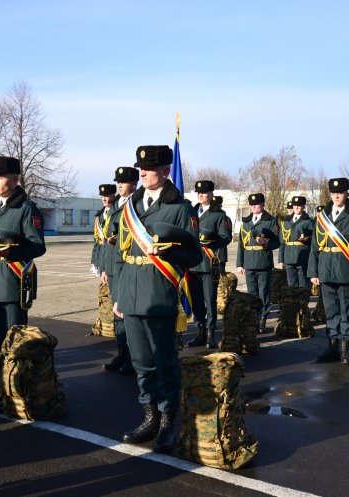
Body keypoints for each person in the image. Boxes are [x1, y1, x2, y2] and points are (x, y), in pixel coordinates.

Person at [115, 145, 202, 453]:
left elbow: (194, 254)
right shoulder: (131, 205)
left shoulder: (180, 207)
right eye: (141, 168)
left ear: (165, 171)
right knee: (141, 364)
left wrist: (169, 251)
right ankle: (149, 417)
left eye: (149, 169)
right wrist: (118, 295)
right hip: (132, 293)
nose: (143, 172)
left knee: (164, 363)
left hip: (160, 293)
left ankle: (167, 421)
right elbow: (118, 254)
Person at [0, 156, 46, 409]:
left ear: (15, 179)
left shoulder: (26, 208)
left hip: (14, 281)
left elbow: (38, 246)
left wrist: (11, 253)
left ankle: (15, 391)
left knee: (14, 340)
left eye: (1, 176)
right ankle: (1, 388)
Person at [307, 178, 349, 365]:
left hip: (344, 266)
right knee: (330, 309)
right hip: (325, 267)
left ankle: (344, 349)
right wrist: (313, 272)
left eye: (340, 193)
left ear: (347, 194)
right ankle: (331, 346)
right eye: (333, 193)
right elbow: (315, 245)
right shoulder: (323, 216)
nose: (337, 196)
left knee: (345, 309)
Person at [101, 168, 138, 375]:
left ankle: (134, 358)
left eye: (124, 182)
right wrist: (105, 269)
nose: (120, 185)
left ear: (134, 184)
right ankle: (122, 353)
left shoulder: (137, 204)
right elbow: (107, 241)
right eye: (119, 182)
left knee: (129, 313)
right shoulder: (116, 206)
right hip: (115, 267)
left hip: (130, 265)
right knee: (118, 314)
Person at [187, 180, 232, 348]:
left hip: (208, 263)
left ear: (212, 194)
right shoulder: (191, 211)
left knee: (210, 300)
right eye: (199, 193)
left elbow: (226, 237)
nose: (201, 195)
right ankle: (201, 332)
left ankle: (211, 334)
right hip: (192, 264)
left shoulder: (219, 215)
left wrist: (211, 241)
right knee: (197, 301)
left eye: (204, 193)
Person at [236, 193, 280, 334]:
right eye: (252, 204)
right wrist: (239, 263)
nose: (254, 206)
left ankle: (263, 318)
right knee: (251, 293)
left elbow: (277, 242)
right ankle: (253, 318)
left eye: (257, 204)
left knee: (263, 292)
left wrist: (266, 245)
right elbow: (241, 244)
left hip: (263, 261)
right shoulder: (246, 222)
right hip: (248, 261)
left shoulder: (271, 221)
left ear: (263, 205)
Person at [278, 196, 313, 288]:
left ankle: (303, 302)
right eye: (295, 205)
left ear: (303, 207)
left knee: (303, 285)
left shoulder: (308, 221)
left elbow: (314, 240)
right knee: (291, 285)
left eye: (299, 205)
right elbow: (282, 242)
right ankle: (292, 302)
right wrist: (281, 260)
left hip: (302, 256)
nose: (296, 207)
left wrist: (307, 240)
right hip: (289, 257)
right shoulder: (286, 221)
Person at [91, 185, 117, 276]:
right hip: (101, 258)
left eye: (106, 196)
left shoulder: (117, 213)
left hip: (112, 258)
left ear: (113, 196)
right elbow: (97, 241)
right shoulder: (99, 216)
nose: (103, 199)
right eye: (102, 196)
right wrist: (94, 260)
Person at [212, 195, 232, 273]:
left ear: (221, 205)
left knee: (220, 279)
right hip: (208, 254)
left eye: (217, 205)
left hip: (220, 253)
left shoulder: (226, 218)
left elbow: (228, 236)